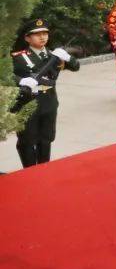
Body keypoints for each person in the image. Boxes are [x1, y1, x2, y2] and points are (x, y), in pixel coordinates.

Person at [11, 19, 80, 168]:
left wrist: (68, 57)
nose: (42, 37)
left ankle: (44, 171)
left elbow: (76, 67)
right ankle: (29, 173)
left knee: (46, 138)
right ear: (27, 38)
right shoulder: (18, 57)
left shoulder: (54, 55)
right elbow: (5, 75)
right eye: (37, 34)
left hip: (49, 101)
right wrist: (21, 81)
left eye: (45, 33)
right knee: (27, 141)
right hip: (28, 102)